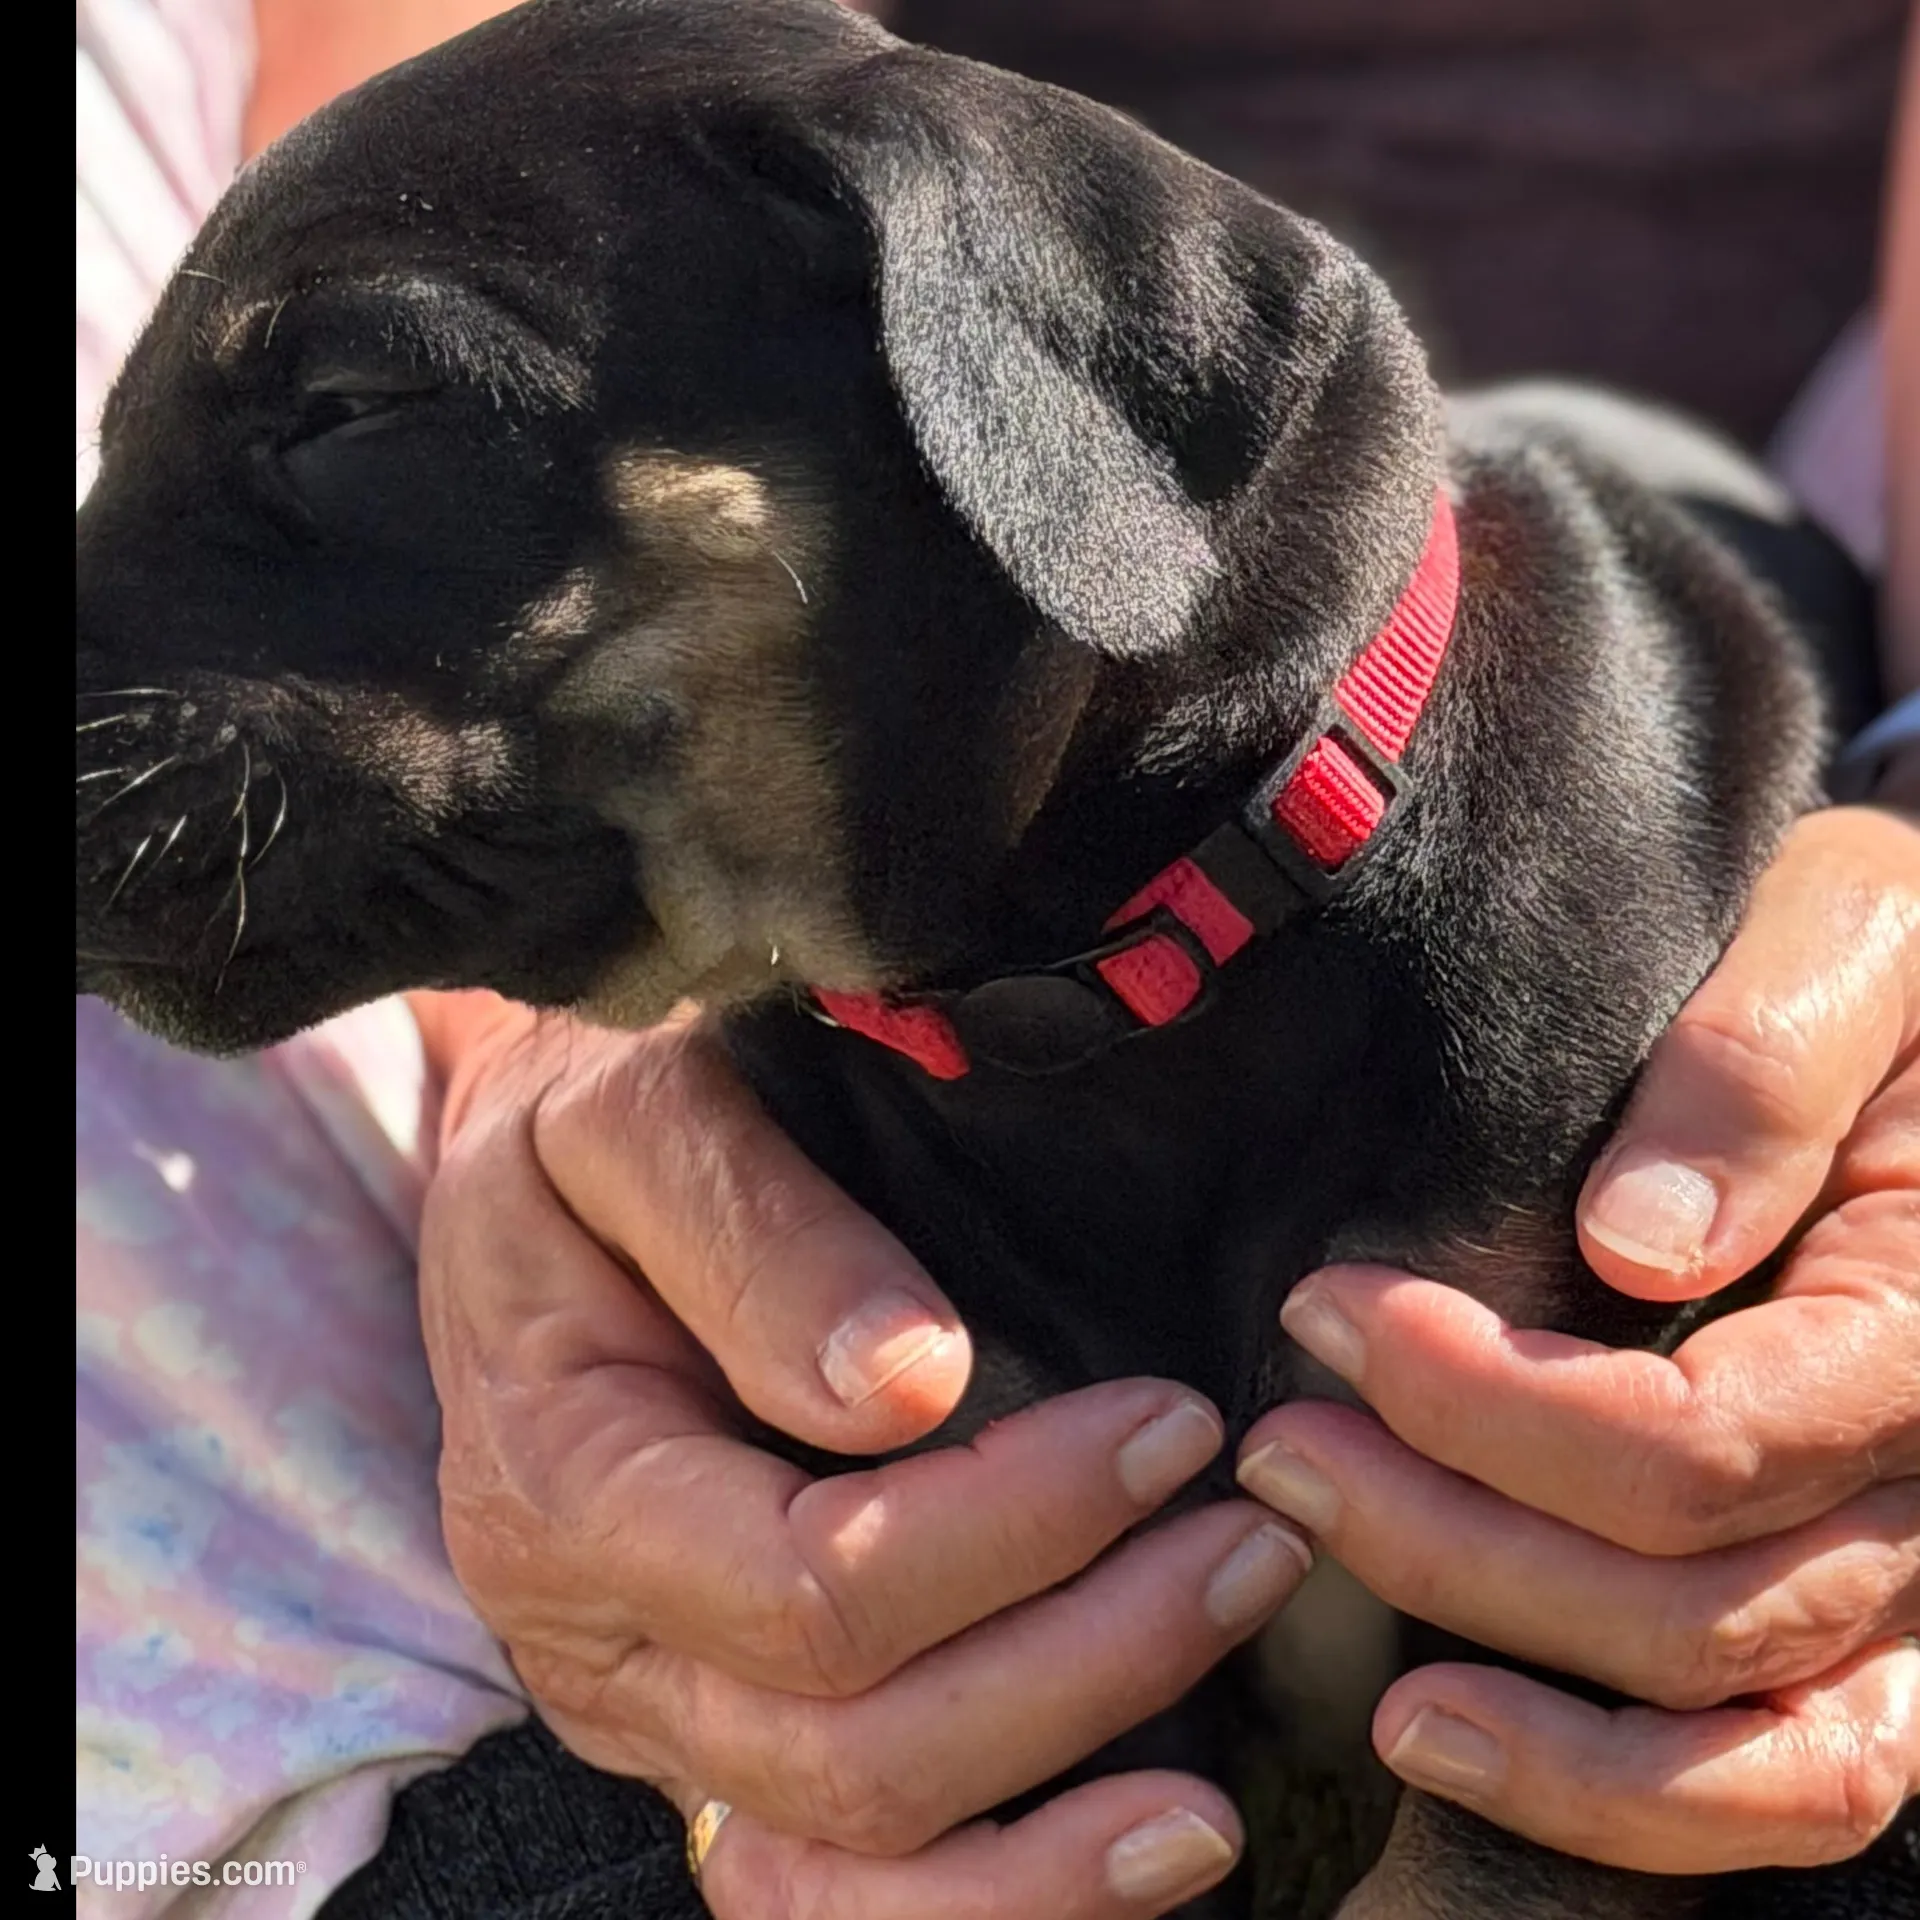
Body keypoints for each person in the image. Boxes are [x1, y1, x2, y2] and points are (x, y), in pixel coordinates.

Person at [76, 4, 1917, 1918]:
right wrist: (512, 1045)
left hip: (1729, 454)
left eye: (354, 416)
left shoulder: (1568, 946)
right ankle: (429, 1807)